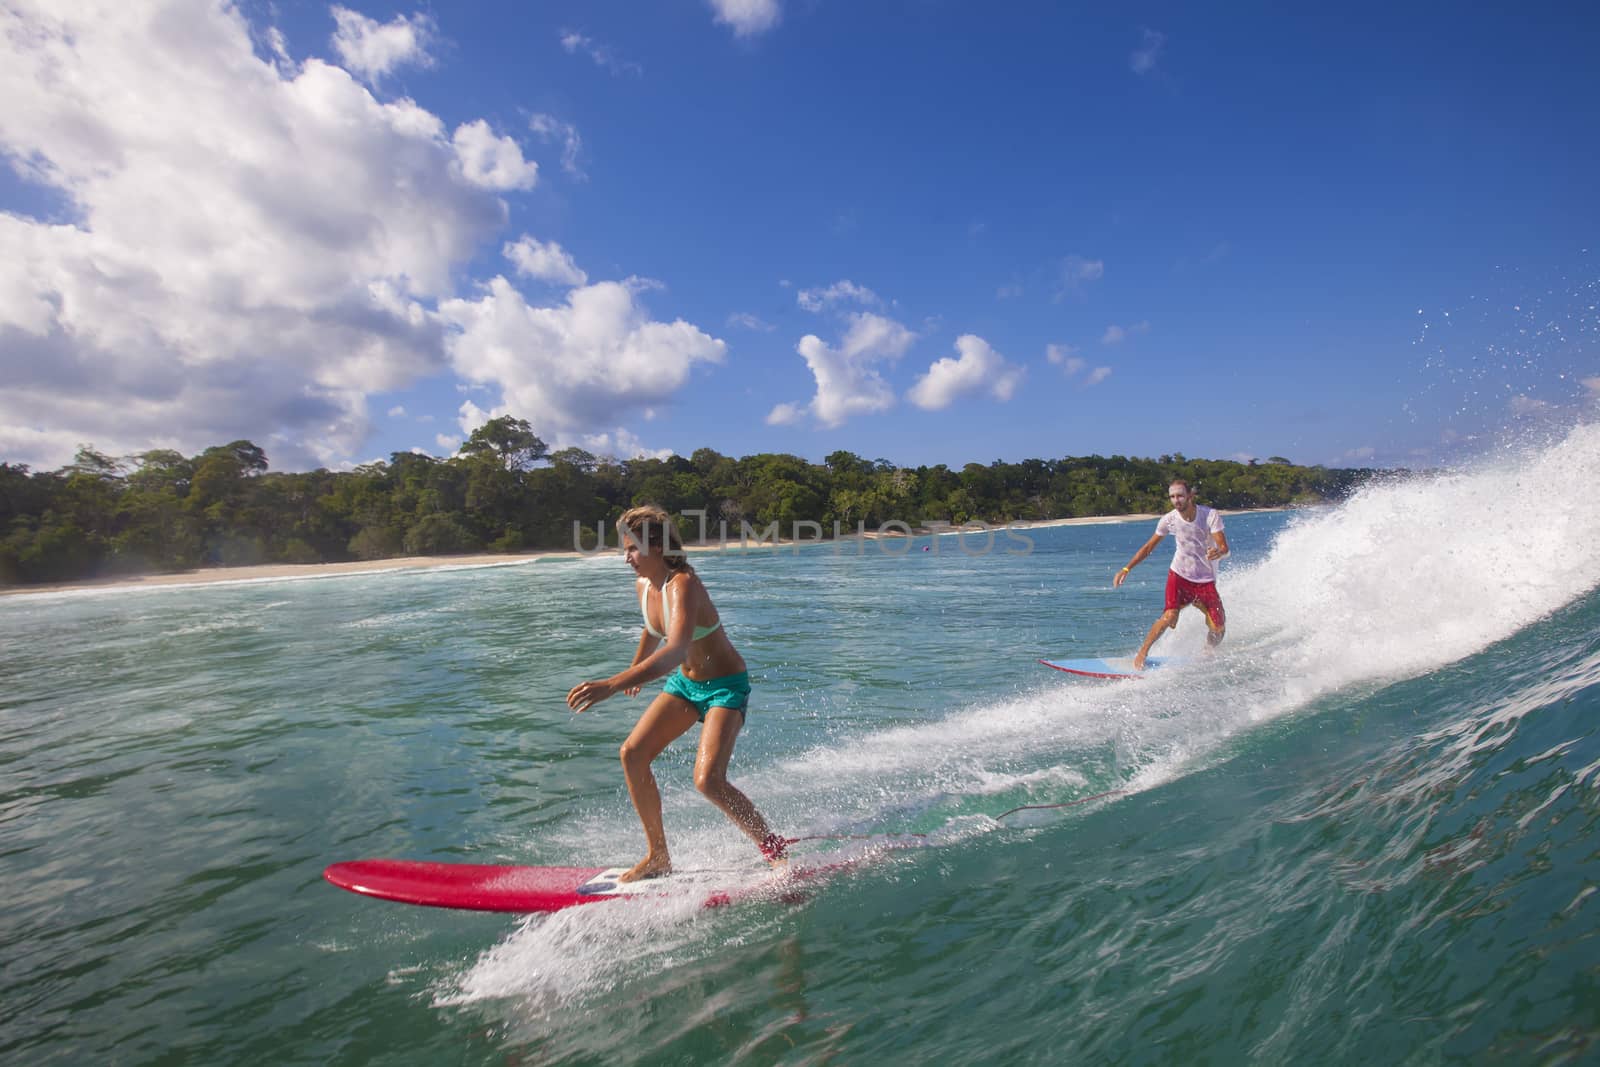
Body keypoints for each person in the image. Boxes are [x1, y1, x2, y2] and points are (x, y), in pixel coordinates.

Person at [566, 505, 787, 882]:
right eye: (624, 550)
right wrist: (637, 668)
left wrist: (614, 683)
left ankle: (775, 852)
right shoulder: (644, 586)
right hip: (685, 686)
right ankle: (658, 856)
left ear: (655, 545)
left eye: (632, 549)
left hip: (724, 687)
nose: (626, 559)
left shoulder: (683, 583)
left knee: (708, 781)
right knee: (633, 754)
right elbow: (654, 630)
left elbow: (677, 649)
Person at [1112, 479, 1230, 670]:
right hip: (1179, 576)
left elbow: (1223, 546)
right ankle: (1142, 654)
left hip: (1205, 580)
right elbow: (1149, 547)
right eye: (1172, 497)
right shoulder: (1169, 519)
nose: (1176, 500)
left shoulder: (1210, 515)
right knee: (1169, 617)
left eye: (1180, 496)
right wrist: (1126, 568)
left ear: (1190, 496)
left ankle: (1208, 652)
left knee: (1219, 629)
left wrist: (1219, 551)